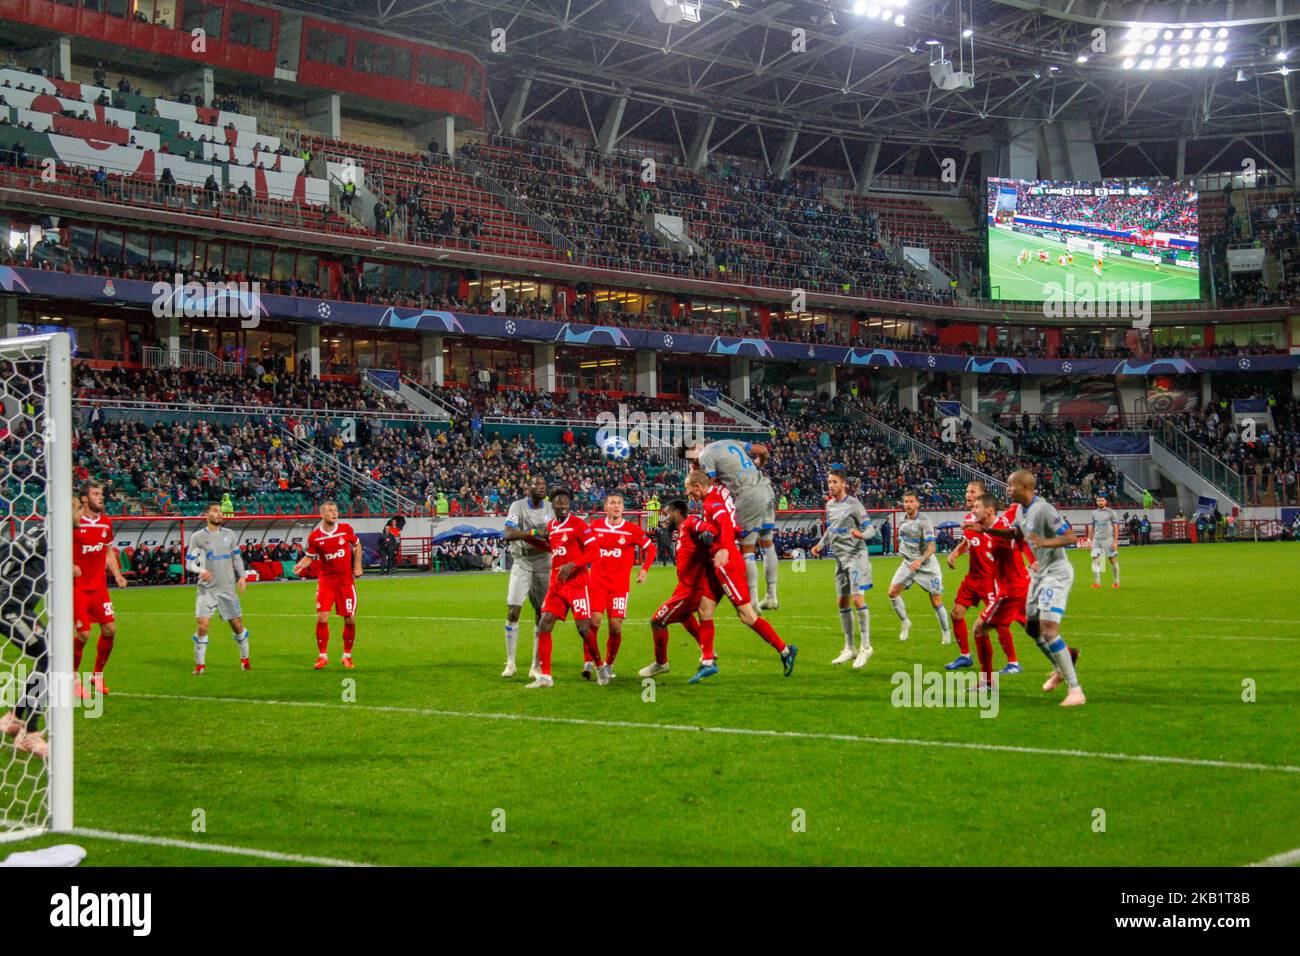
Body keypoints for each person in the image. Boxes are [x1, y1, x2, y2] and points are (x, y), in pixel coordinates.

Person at [682, 470, 797, 683]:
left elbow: (725, 522)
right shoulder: (715, 495)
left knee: (747, 616)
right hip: (717, 563)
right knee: (704, 609)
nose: (690, 495)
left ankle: (785, 651)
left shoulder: (712, 502)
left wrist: (724, 548)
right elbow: (731, 525)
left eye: (690, 490)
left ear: (698, 487)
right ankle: (708, 662)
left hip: (727, 564)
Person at [983, 470, 1085, 706]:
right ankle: (1060, 667)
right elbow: (1015, 533)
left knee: (1049, 629)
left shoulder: (1045, 509)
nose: (1007, 489)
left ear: (1025, 486)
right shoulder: (1020, 510)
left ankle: (1075, 690)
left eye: (1010, 485)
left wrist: (1045, 542)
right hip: (1039, 575)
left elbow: (1071, 537)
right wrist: (987, 530)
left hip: (1056, 574)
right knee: (1031, 629)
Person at [682, 438, 780, 610]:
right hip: (765, 488)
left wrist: (696, 474)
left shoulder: (705, 455)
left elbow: (708, 486)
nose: (694, 462)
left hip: (748, 495)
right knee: (767, 543)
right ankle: (771, 597)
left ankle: (753, 603)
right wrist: (759, 463)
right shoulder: (730, 442)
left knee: (747, 548)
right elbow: (763, 449)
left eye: (691, 459)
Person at [526, 488, 608, 689]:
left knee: (583, 629)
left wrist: (572, 564)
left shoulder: (579, 525)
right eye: (559, 503)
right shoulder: (551, 526)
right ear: (552, 505)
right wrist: (530, 539)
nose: (563, 505)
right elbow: (554, 549)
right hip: (557, 585)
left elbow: (595, 552)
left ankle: (599, 666)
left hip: (577, 584)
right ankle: (545, 676)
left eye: (566, 502)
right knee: (544, 623)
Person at [584, 493, 655, 679]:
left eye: (619, 503)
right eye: (612, 503)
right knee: (593, 622)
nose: (616, 506)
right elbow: (583, 546)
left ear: (623, 508)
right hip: (597, 583)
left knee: (615, 626)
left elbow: (651, 549)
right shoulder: (595, 527)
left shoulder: (632, 530)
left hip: (619, 587)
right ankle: (588, 662)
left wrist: (644, 569)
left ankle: (608, 664)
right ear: (605, 507)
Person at [640, 499, 713, 677]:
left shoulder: (690, 523)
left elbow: (706, 529)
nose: (666, 518)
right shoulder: (681, 529)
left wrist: (709, 535)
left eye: (668, 513)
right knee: (685, 617)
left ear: (678, 512)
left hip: (691, 589)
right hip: (685, 586)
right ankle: (707, 651)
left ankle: (661, 663)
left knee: (657, 621)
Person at [810, 470, 876, 669]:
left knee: (858, 599)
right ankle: (850, 648)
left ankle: (866, 647)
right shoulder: (830, 505)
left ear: (844, 484)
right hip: (840, 559)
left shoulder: (854, 504)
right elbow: (832, 528)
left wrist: (862, 535)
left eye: (834, 482)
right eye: (829, 481)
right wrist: (820, 545)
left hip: (856, 558)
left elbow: (871, 528)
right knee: (842, 602)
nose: (831, 485)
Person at [0, 524, 51, 758]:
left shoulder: (52, 531)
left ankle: (15, 718)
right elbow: (11, 553)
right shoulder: (46, 531)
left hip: (22, 607)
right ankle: (28, 733)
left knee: (48, 655)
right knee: (48, 656)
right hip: (11, 607)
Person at [294, 500, 362, 670]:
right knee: (322, 616)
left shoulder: (345, 529)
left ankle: (347, 655)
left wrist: (357, 565)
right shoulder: (315, 536)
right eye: (330, 511)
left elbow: (357, 545)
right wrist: (301, 564)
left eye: (336, 510)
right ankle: (322, 655)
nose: (334, 513)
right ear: (322, 514)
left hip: (345, 581)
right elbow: (310, 556)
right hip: (327, 582)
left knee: (350, 619)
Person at [73, 481, 127, 697]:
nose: (100, 497)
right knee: (83, 633)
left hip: (98, 587)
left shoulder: (105, 522)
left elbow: (108, 552)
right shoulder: (73, 523)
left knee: (110, 630)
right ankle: (73, 678)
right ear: (84, 498)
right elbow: (56, 548)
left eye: (101, 494)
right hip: (76, 587)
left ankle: (97, 674)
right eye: (96, 494)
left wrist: (118, 574)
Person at [184, 502, 251, 674]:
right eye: (215, 511)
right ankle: (199, 666)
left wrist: (242, 576)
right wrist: (201, 570)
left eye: (221, 511)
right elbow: (189, 563)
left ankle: (245, 660)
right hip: (207, 589)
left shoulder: (230, 534)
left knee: (237, 626)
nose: (220, 514)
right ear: (206, 515)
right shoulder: (197, 537)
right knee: (202, 625)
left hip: (228, 588)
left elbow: (236, 558)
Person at [500, 476, 553, 679]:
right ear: (527, 488)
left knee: (541, 613)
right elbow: (508, 533)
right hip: (522, 563)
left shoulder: (550, 507)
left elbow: (554, 532)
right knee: (513, 611)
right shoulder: (518, 506)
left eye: (543, 485)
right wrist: (533, 532)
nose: (541, 488)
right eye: (536, 485)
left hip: (544, 565)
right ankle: (511, 662)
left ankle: (535, 664)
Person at [886, 490, 951, 644]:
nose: (908, 504)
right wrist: (907, 556)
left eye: (911, 501)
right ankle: (905, 622)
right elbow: (905, 541)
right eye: (906, 501)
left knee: (935, 600)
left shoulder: (924, 521)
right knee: (892, 593)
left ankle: (946, 632)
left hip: (926, 566)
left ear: (917, 503)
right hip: (908, 564)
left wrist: (920, 560)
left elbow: (932, 547)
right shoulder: (902, 520)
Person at [944, 480, 992, 670]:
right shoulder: (968, 517)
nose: (967, 495)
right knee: (956, 614)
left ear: (982, 495)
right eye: (966, 491)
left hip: (991, 577)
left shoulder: (991, 517)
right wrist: (954, 554)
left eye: (972, 491)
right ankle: (965, 655)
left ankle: (1013, 662)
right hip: (973, 578)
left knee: (1000, 622)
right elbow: (967, 542)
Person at [1090, 494, 1121, 589]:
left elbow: (1116, 527)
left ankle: (1116, 582)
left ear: (1106, 502)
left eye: (1102, 500)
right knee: (1095, 560)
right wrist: (1089, 540)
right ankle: (1097, 583)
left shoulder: (1111, 512)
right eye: (1098, 501)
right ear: (1096, 502)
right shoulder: (1094, 513)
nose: (1100, 502)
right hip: (1097, 540)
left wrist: (1115, 541)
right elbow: (1092, 527)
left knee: (1112, 560)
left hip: (1108, 540)